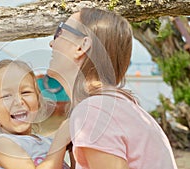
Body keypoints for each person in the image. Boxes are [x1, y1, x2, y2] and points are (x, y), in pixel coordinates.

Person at [48, 7, 178, 169]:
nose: (52, 43)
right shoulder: (116, 106)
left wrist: (58, 142)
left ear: (82, 46)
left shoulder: (95, 111)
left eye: (60, 32)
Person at [0, 59, 71, 169]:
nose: (18, 101)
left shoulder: (46, 143)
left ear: (38, 99)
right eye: (6, 96)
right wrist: (60, 142)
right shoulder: (2, 144)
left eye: (26, 92)